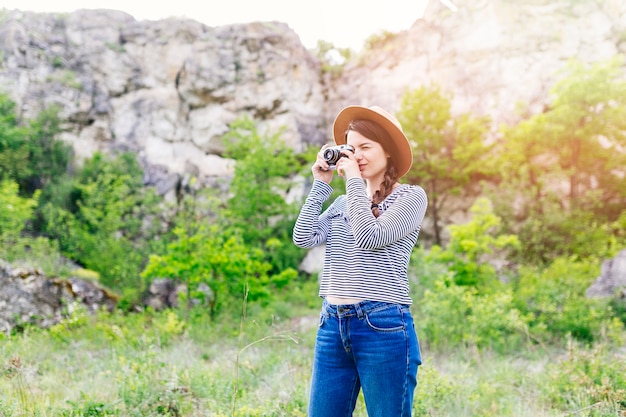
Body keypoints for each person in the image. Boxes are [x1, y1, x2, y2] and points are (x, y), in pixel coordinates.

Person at [293, 105, 428, 417]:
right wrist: (320, 185)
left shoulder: (410, 198)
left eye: (366, 147)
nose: (357, 156)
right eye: (352, 149)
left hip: (381, 324)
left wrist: (352, 179)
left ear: (389, 152)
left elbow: (370, 237)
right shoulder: (343, 202)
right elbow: (303, 236)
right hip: (332, 323)